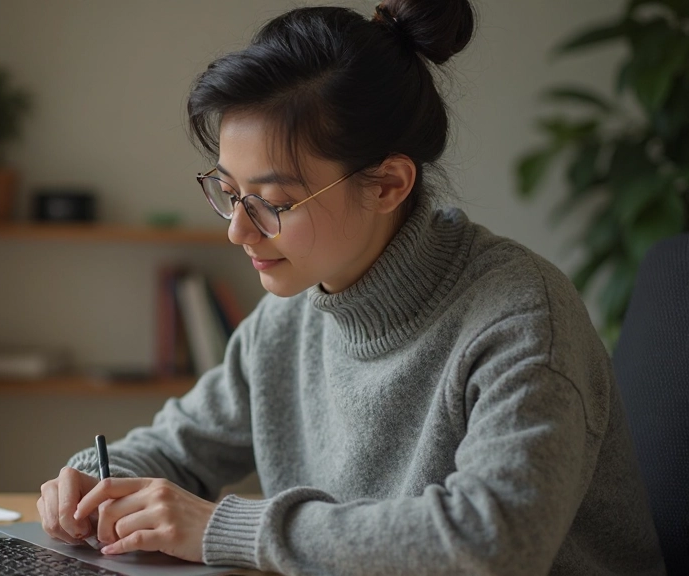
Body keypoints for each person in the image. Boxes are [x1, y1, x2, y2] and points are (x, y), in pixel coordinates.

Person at [37, 2, 666, 574]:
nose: (236, 231)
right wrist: (90, 482)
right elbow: (176, 449)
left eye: (272, 201)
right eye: (228, 193)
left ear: (389, 184)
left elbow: (493, 541)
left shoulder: (523, 316)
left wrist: (223, 528)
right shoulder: (288, 321)